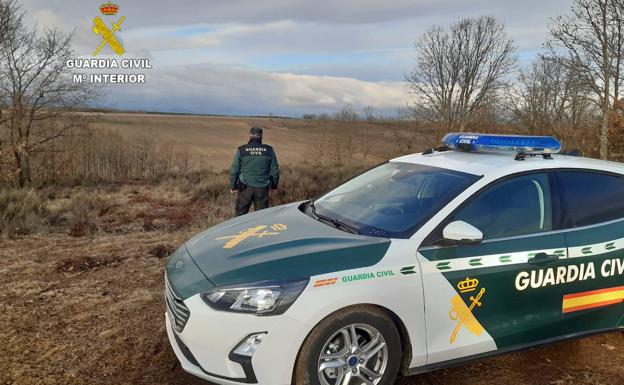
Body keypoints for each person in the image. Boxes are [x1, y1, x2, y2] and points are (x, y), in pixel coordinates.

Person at [229, 127, 280, 216]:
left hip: (245, 188)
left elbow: (234, 170)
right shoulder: (269, 150)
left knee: (239, 216)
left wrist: (233, 186)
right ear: (261, 136)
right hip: (262, 188)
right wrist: (274, 186)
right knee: (261, 217)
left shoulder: (242, 150)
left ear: (250, 135)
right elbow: (275, 171)